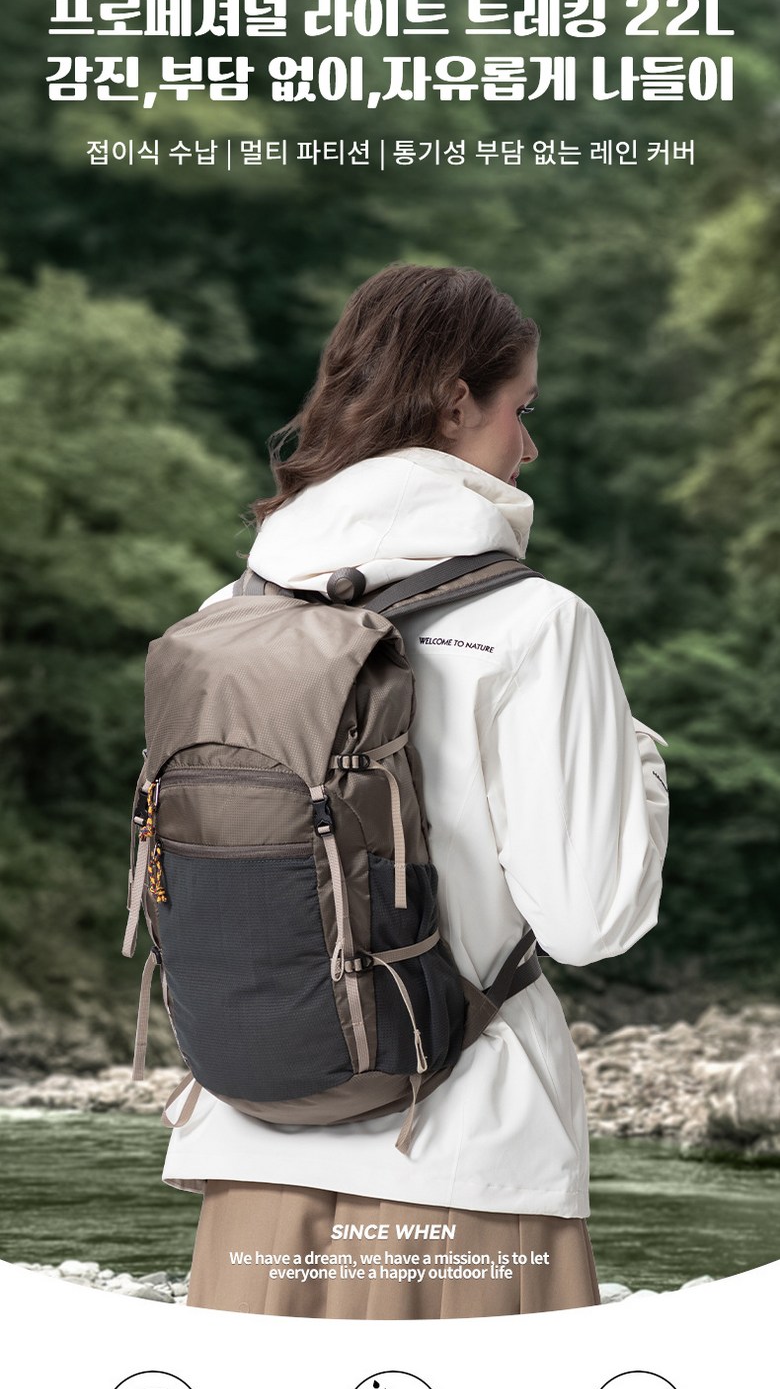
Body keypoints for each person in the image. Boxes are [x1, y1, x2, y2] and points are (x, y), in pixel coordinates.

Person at [162, 263, 669, 1319]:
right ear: (454, 402)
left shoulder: (225, 614)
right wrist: (642, 768)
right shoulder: (538, 623)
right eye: (522, 409)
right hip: (462, 1158)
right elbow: (592, 922)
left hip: (246, 1159)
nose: (529, 447)